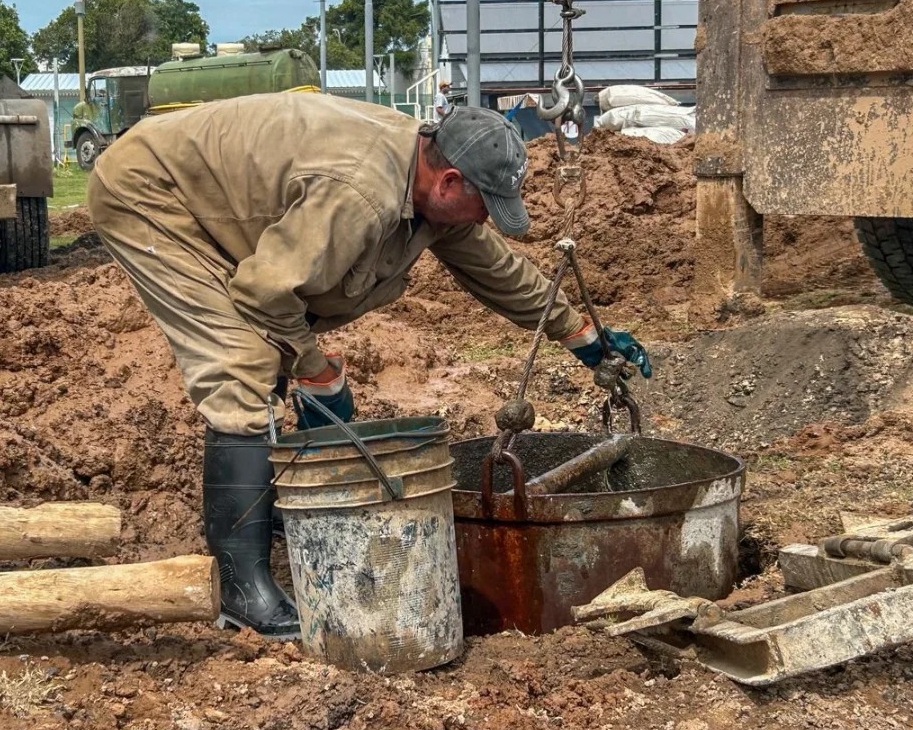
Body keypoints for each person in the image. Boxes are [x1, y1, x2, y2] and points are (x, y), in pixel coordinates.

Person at [87, 94, 650, 639]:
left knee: (277, 337)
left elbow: (494, 267)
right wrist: (313, 368)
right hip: (152, 195)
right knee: (242, 362)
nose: (485, 220)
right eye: (484, 204)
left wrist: (581, 334)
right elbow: (264, 292)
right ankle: (240, 591)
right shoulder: (360, 193)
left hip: (222, 200)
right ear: (449, 182)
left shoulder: (425, 178)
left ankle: (271, 506)